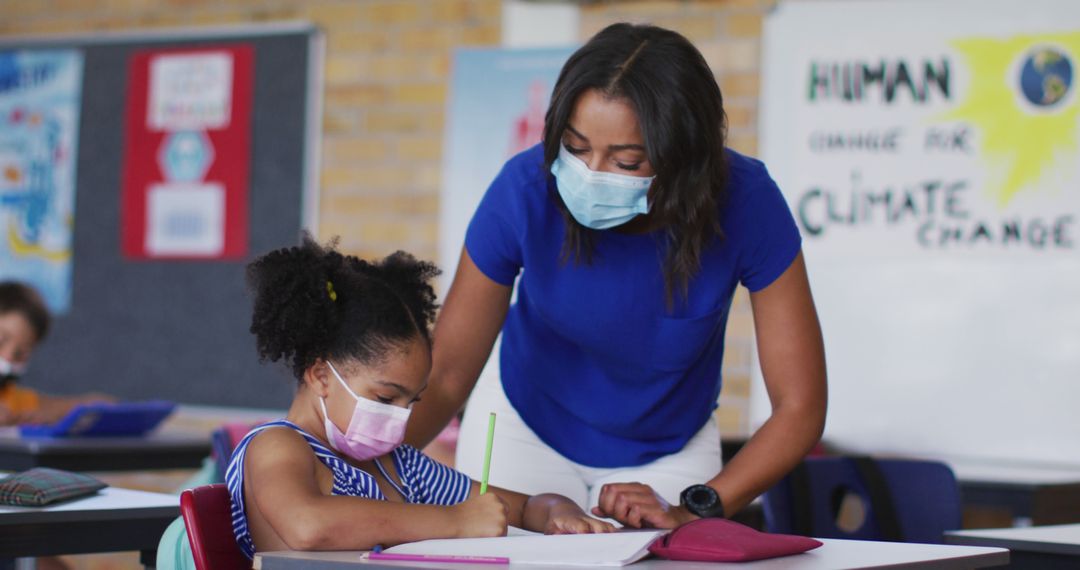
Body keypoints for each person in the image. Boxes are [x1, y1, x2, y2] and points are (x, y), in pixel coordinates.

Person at [405, 22, 828, 529]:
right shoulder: (522, 189)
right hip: (523, 426)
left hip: (669, 451)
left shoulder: (747, 202)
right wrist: (359, 469)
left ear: (683, 158)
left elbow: (799, 406)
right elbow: (448, 374)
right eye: (575, 148)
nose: (590, 173)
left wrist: (696, 508)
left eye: (626, 160)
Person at [226, 235, 613, 559]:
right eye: (386, 397)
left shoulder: (399, 466)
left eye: (412, 401)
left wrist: (558, 512)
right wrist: (455, 523)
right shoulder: (278, 445)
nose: (402, 418)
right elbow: (307, 524)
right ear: (321, 374)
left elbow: (521, 507)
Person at [0, 281, 112, 426]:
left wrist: (91, 404)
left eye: (21, 353)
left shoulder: (15, 400)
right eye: (1, 340)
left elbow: (99, 404)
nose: (8, 357)